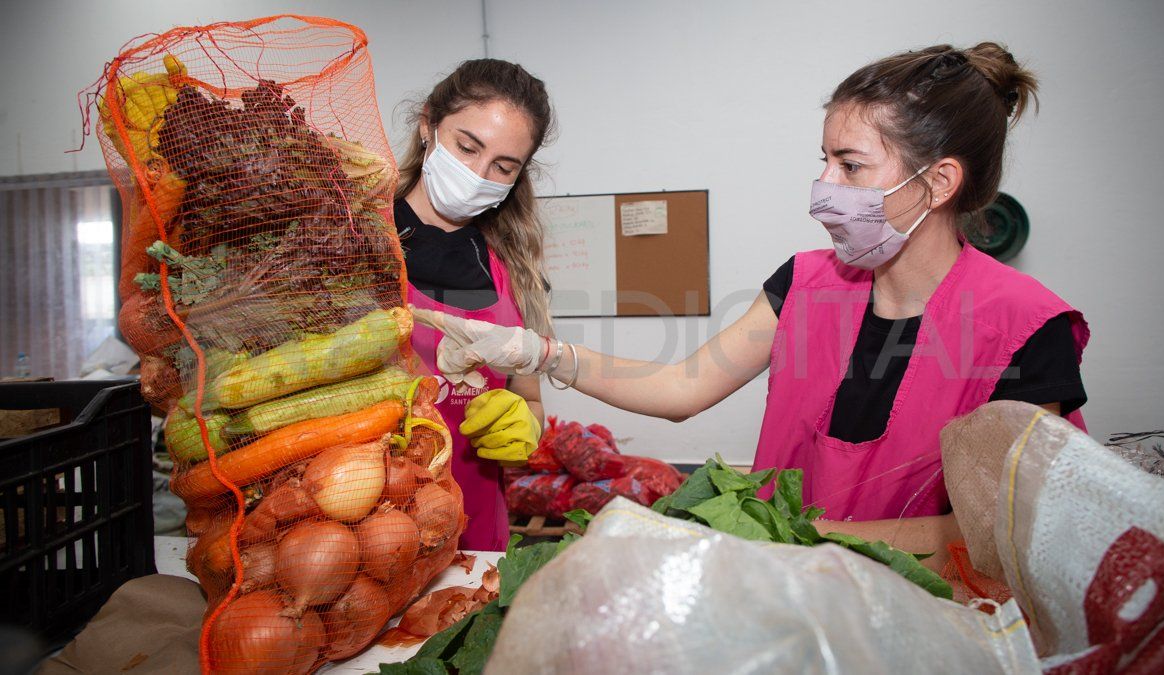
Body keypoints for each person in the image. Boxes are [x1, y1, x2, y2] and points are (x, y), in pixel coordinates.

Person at [414, 43, 1088, 568]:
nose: (823, 186)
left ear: (938, 181)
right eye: (823, 160)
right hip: (786, 594)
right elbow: (683, 386)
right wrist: (544, 355)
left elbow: (1003, 533)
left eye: (850, 166)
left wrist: (794, 534)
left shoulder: (1027, 327)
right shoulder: (804, 283)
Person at [394, 58, 555, 551]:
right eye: (467, 147)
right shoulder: (353, 239)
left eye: (502, 167)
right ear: (428, 124)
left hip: (476, 525)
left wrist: (523, 426)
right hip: (368, 524)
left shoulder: (517, 268)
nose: (477, 174)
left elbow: (530, 398)